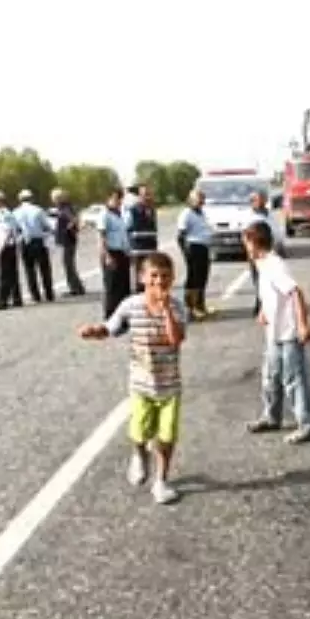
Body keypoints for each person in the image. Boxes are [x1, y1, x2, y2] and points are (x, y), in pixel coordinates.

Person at [78, 251, 187, 505]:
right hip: (140, 384)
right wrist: (95, 331)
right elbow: (111, 327)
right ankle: (139, 455)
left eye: (165, 277)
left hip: (169, 385)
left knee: (167, 436)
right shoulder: (131, 305)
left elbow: (176, 339)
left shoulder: (178, 307)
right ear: (142, 278)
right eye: (154, 276)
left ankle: (161, 481)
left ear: (172, 279)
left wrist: (166, 310)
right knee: (139, 433)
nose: (159, 282)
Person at [243, 220, 310, 444]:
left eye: (247, 243)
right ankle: (271, 416)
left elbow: (295, 293)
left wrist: (303, 325)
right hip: (273, 332)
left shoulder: (275, 265)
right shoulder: (262, 264)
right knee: (271, 376)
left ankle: (307, 425)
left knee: (293, 378)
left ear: (254, 242)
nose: (245, 248)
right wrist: (264, 312)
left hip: (288, 332)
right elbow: (272, 294)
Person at [245, 189, 285, 318]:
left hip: (272, 251)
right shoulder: (250, 216)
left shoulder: (270, 214)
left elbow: (276, 231)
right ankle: (260, 307)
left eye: (260, 199)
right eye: (254, 200)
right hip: (258, 253)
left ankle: (269, 305)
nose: (257, 202)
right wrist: (251, 253)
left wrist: (279, 247)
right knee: (260, 281)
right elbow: (246, 236)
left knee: (272, 280)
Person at [176, 188, 212, 321]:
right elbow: (180, 235)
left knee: (203, 277)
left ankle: (201, 305)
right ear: (191, 199)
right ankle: (190, 308)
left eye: (203, 198)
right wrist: (186, 253)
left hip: (204, 247)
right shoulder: (187, 213)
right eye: (199, 198)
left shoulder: (201, 213)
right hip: (193, 247)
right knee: (194, 278)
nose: (202, 201)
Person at [14, 189, 55, 303]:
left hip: (24, 242)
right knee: (44, 269)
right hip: (38, 241)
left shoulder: (16, 212)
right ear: (31, 198)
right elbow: (47, 225)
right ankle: (49, 294)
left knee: (29, 270)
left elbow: (15, 229)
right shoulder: (38, 210)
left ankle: (35, 295)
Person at [0, 189, 24, 310]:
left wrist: (0, 249)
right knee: (13, 274)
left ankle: (2, 301)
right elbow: (17, 229)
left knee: (4, 275)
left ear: (0, 201)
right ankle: (17, 298)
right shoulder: (9, 213)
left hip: (6, 246)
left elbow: (5, 231)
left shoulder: (2, 213)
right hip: (12, 246)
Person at [100, 188, 132, 320]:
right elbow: (101, 237)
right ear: (108, 199)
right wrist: (107, 256)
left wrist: (128, 253)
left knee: (124, 286)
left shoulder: (120, 214)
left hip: (123, 252)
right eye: (115, 198)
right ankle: (110, 316)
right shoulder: (105, 214)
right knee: (112, 287)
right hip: (111, 253)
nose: (118, 201)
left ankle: (123, 316)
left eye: (120, 198)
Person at [51, 187, 86, 296]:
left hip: (68, 240)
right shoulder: (65, 207)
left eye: (54, 198)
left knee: (68, 264)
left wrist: (69, 228)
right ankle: (76, 287)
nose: (53, 200)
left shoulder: (64, 208)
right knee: (69, 264)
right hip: (69, 239)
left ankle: (76, 288)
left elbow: (74, 219)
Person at [126, 183, 159, 293]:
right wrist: (128, 249)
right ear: (139, 196)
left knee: (151, 278)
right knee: (140, 280)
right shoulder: (132, 210)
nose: (148, 197)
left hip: (151, 249)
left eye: (149, 194)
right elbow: (126, 229)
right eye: (145, 194)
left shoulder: (152, 209)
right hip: (138, 250)